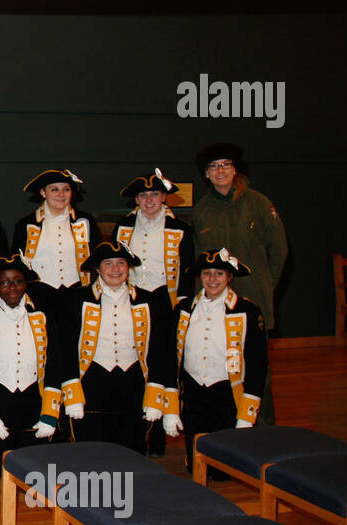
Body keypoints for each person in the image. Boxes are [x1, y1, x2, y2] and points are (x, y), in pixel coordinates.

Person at [192, 143, 287, 424]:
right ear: (206, 174)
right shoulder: (201, 212)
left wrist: (265, 286)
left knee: (258, 371)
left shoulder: (258, 203)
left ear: (235, 170)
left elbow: (279, 250)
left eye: (226, 165)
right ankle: (227, 428)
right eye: (213, 167)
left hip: (253, 299)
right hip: (216, 306)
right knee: (221, 368)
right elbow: (199, 260)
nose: (220, 171)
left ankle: (264, 432)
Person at [56, 242, 173, 456]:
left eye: (121, 263)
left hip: (133, 381)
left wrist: (156, 392)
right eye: (108, 264)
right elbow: (65, 348)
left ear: (129, 268)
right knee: (91, 448)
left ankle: (127, 489)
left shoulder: (150, 301)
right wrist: (72, 392)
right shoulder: (76, 299)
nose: (115, 269)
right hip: (91, 380)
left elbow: (159, 349)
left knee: (131, 447)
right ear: (98, 269)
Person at [166, 249, 269, 474]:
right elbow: (170, 358)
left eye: (219, 273)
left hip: (226, 392)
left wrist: (246, 415)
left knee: (224, 469)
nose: (212, 279)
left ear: (229, 277)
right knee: (197, 465)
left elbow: (257, 364)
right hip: (193, 390)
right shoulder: (183, 310)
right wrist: (171, 407)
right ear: (200, 276)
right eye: (207, 273)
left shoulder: (247, 311)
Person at [0, 254, 63, 477]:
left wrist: (50, 413)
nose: (12, 288)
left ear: (26, 284)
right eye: (4, 282)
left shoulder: (42, 317)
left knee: (36, 467)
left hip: (32, 397)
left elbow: (54, 364)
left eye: (17, 281)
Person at [13, 169, 98, 314]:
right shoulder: (26, 224)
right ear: (43, 192)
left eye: (66, 189)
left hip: (77, 291)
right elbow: (17, 262)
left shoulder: (85, 221)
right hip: (39, 293)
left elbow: (97, 257)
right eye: (54, 190)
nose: (61, 194)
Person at [114, 168, 195, 309]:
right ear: (137, 199)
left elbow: (187, 268)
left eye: (155, 194)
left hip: (166, 298)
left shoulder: (180, 228)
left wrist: (183, 301)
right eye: (143, 195)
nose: (149, 200)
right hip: (130, 297)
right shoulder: (123, 226)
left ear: (164, 197)